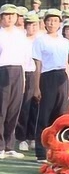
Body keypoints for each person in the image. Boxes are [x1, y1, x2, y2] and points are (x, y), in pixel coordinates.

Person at [33, 9, 69, 162]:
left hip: (62, 77)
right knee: (44, 115)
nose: (52, 23)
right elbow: (38, 64)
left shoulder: (65, 42)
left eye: (55, 21)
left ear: (60, 23)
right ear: (45, 23)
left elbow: (67, 64)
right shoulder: (40, 40)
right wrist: (36, 86)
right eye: (49, 21)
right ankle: (41, 151)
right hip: (47, 77)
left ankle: (57, 150)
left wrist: (68, 86)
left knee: (60, 116)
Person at [0, 4, 28, 159]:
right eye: (6, 15)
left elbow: (24, 58)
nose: (10, 18)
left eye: (13, 15)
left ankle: (10, 145)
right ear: (1, 17)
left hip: (18, 71)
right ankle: (0, 146)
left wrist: (23, 78)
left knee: (14, 110)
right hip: (2, 70)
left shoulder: (20, 34)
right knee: (1, 110)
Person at [16, 13, 40, 151]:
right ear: (25, 26)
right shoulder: (21, 40)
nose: (32, 27)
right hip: (26, 73)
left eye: (35, 24)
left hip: (40, 74)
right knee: (24, 106)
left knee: (36, 107)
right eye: (30, 25)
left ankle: (32, 136)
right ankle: (22, 137)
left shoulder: (41, 39)